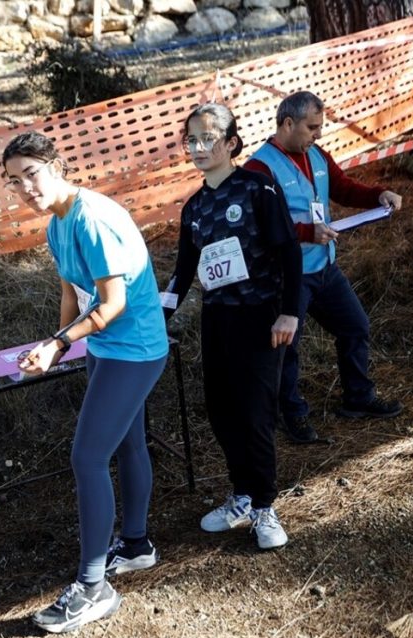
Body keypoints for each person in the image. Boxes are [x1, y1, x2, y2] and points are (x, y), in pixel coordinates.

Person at [3, 132, 169, 634]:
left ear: (56, 164)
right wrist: (57, 342)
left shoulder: (91, 218)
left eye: (31, 173)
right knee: (125, 445)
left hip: (134, 349)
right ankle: (136, 546)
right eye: (14, 181)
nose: (25, 187)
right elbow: (71, 293)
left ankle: (93, 588)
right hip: (105, 348)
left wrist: (58, 345)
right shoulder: (58, 221)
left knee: (87, 457)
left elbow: (114, 303)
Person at [162, 103, 302, 550]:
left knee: (256, 413)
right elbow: (182, 275)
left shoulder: (258, 188)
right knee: (222, 412)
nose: (199, 148)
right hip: (217, 320)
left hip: (263, 318)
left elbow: (290, 254)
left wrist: (290, 312)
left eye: (208, 138)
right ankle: (241, 494)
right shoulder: (195, 208)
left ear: (231, 143)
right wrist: (154, 318)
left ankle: (264, 506)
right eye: (192, 140)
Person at [243, 90, 404, 444]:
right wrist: (304, 231)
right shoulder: (258, 168)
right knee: (288, 348)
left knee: (355, 326)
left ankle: (358, 397)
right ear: (288, 123)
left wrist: (378, 194)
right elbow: (255, 228)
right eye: (312, 127)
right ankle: (293, 414)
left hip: (323, 267)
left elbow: (343, 189)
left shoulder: (315, 154)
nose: (319, 134)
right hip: (287, 276)